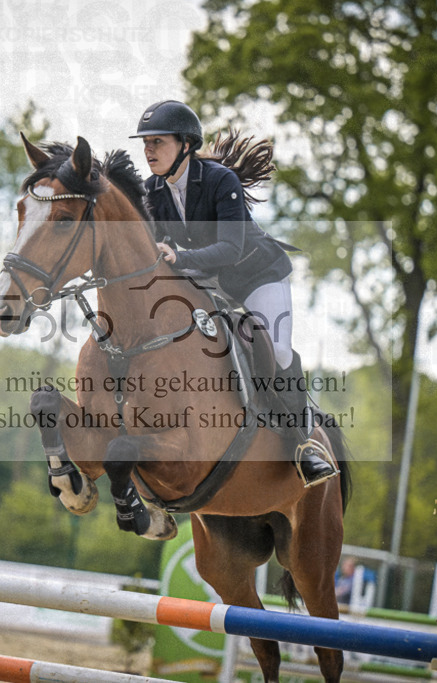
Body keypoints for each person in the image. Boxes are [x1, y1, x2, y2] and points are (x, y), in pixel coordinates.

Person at [131, 100, 335, 485]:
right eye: (145, 143)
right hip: (207, 280)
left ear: (186, 145)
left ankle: (303, 443)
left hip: (256, 276)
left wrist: (179, 256)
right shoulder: (152, 191)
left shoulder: (220, 180)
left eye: (157, 142)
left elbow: (230, 250)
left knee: (274, 349)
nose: (149, 150)